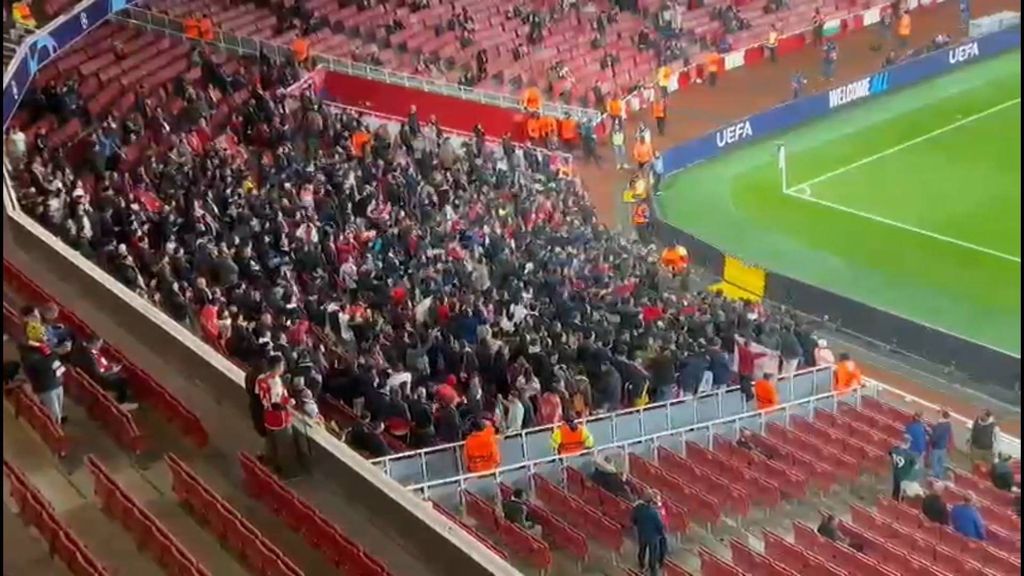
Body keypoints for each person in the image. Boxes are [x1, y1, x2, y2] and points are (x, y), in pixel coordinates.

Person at [256, 354, 299, 477]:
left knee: (271, 442)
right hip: (279, 418)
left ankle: (268, 463)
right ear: (277, 366)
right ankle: (285, 471)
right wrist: (289, 402)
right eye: (282, 365)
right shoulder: (274, 382)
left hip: (267, 416)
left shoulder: (262, 378)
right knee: (284, 445)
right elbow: (276, 402)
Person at [71, 335, 138, 411]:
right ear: (96, 343)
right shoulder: (90, 356)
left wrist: (109, 367)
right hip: (101, 380)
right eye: (100, 343)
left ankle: (121, 400)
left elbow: (100, 366)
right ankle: (124, 402)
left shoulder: (89, 352)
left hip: (101, 375)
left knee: (121, 376)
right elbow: (98, 374)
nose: (101, 345)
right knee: (123, 380)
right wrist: (112, 371)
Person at [19, 322, 66, 425]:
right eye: (42, 335)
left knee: (59, 412)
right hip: (46, 387)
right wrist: (56, 352)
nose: (46, 337)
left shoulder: (43, 347)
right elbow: (43, 365)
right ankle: (56, 436)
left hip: (56, 381)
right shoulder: (29, 353)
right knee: (54, 415)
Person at [632, 492, 667, 575]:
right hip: (653, 537)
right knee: (653, 554)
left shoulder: (637, 509)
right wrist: (662, 534)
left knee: (642, 550)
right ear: (651, 502)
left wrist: (639, 526)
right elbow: (659, 525)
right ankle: (653, 571)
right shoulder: (654, 513)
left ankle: (641, 566)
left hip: (642, 533)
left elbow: (633, 520)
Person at [889, 435, 919, 501]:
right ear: (908, 444)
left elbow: (890, 453)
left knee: (895, 489)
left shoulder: (894, 450)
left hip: (896, 473)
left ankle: (892, 501)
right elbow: (916, 466)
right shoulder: (910, 455)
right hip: (904, 477)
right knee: (901, 493)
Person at [928, 409, 952, 479]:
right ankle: (940, 474)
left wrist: (930, 436)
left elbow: (935, 437)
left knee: (935, 461)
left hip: (937, 446)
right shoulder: (948, 424)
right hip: (944, 445)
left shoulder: (940, 426)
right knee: (941, 461)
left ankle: (936, 475)